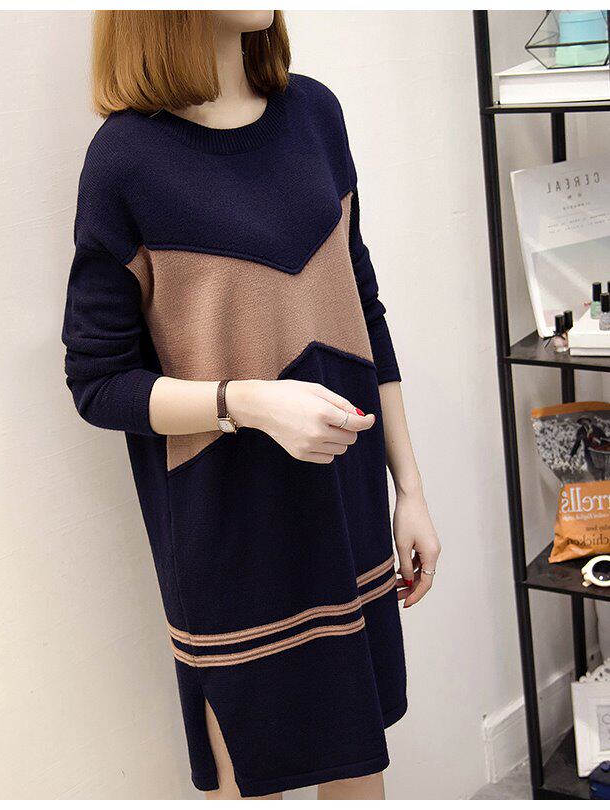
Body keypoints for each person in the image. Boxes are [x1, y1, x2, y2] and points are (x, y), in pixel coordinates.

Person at [62, 9, 441, 800]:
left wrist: (409, 489)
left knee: (358, 770)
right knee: (247, 780)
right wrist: (250, 404)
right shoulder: (125, 161)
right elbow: (99, 382)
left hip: (346, 508)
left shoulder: (315, 113)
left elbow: (363, 308)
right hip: (230, 536)